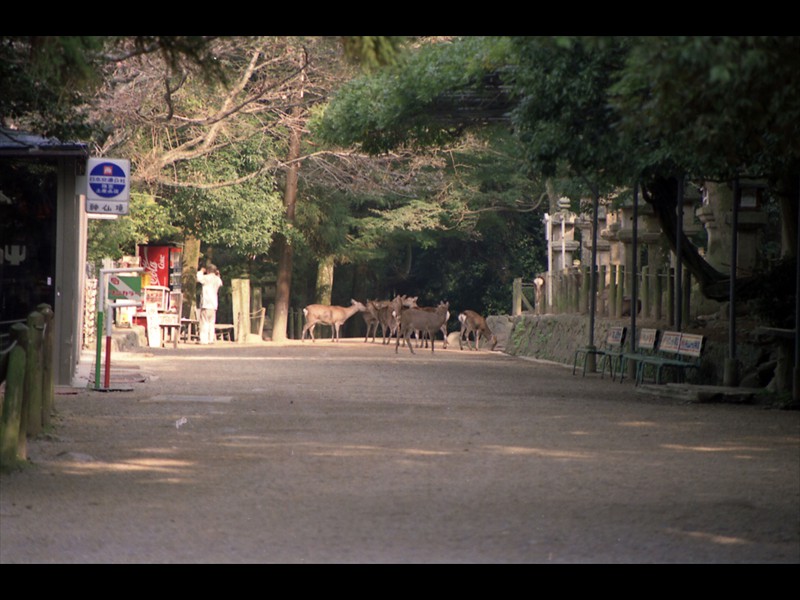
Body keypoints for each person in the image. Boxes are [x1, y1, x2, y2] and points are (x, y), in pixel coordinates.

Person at [196, 263, 223, 344]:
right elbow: (220, 283)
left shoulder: (207, 278)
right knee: (211, 322)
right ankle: (210, 339)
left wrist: (201, 271)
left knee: (204, 322)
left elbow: (199, 278)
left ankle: (204, 340)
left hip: (206, 303)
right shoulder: (217, 279)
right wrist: (218, 275)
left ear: (208, 271)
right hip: (214, 304)